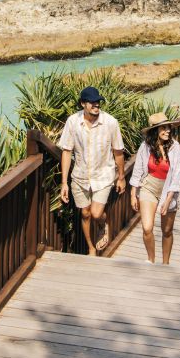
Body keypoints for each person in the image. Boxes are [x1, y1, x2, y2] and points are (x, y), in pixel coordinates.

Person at [60, 86, 126, 255]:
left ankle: (104, 224)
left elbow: (118, 151)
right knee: (85, 213)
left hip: (103, 176)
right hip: (80, 177)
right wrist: (64, 183)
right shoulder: (73, 122)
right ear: (83, 104)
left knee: (96, 214)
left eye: (98, 102)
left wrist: (121, 177)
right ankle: (91, 248)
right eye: (92, 102)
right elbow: (67, 151)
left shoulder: (110, 122)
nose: (96, 105)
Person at [130, 112, 180, 264]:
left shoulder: (175, 147)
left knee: (166, 231)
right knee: (147, 228)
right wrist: (133, 193)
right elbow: (138, 170)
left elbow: (176, 177)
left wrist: (168, 201)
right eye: (163, 128)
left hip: (169, 191)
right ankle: (151, 260)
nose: (167, 131)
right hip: (149, 188)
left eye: (168, 127)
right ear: (155, 131)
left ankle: (165, 263)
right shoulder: (146, 146)